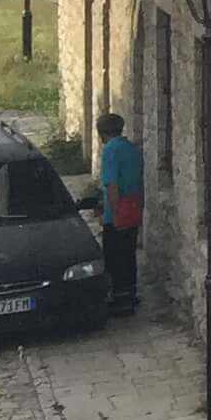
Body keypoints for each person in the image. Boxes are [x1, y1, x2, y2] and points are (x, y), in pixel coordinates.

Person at [94, 111, 143, 314]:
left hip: (119, 209)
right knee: (129, 253)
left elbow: (112, 184)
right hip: (133, 206)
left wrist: (113, 213)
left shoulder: (110, 151)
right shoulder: (132, 149)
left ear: (102, 133)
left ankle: (120, 298)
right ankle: (130, 293)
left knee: (114, 257)